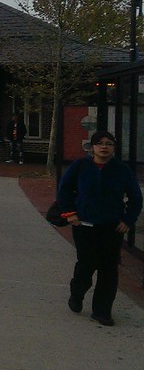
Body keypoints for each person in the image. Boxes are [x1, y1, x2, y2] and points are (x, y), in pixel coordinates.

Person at [56, 131, 142, 326]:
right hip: (84, 225)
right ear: (92, 147)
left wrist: (128, 220)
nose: (104, 147)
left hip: (112, 227)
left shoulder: (122, 170)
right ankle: (77, 293)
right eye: (100, 143)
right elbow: (64, 189)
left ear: (114, 148)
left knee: (108, 268)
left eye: (109, 143)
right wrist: (70, 213)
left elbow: (136, 198)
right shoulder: (80, 166)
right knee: (86, 264)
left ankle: (102, 311)